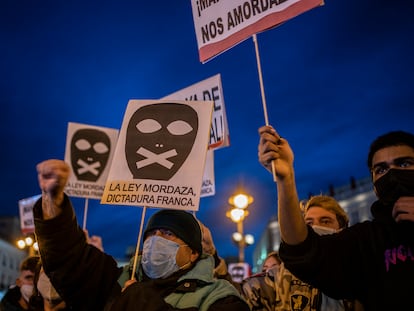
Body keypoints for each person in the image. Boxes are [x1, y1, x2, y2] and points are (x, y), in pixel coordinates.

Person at [33, 159, 249, 311]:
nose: (156, 240)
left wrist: (138, 300)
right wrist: (53, 202)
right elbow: (69, 261)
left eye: (167, 233)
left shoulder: (220, 296)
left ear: (192, 253)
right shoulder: (117, 279)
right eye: (151, 233)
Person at [258, 126, 414, 310]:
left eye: (404, 164)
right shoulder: (366, 240)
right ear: (373, 184)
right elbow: (302, 252)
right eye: (381, 169)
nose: (392, 174)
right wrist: (286, 179)